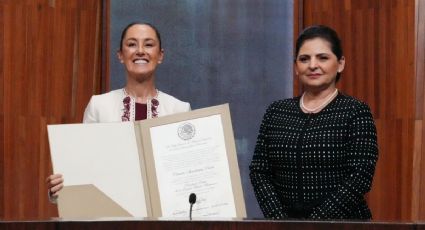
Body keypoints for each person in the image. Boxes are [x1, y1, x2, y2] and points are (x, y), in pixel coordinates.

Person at [46, 22, 191, 201]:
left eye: (148, 44)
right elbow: (83, 166)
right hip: (111, 217)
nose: (140, 51)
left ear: (160, 55)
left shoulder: (179, 109)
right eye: (131, 44)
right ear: (121, 55)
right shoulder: (98, 106)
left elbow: (186, 176)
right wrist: (61, 188)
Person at [249, 25, 378, 220]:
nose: (312, 65)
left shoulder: (356, 112)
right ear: (295, 67)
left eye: (323, 57)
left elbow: (360, 176)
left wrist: (314, 224)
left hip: (343, 225)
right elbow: (259, 170)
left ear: (340, 63)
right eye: (304, 59)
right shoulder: (276, 111)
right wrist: (280, 221)